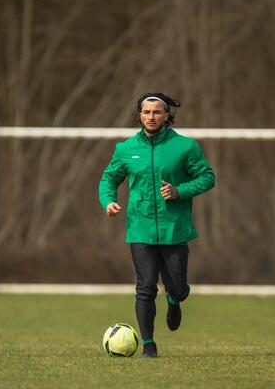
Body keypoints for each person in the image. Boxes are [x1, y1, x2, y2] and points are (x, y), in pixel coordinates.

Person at [98, 93, 215, 358]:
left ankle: (174, 300)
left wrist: (179, 191)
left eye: (157, 112)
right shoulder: (126, 149)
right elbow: (108, 179)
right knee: (146, 286)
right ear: (139, 115)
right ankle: (149, 344)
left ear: (167, 116)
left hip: (175, 228)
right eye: (146, 112)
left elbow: (208, 177)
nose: (151, 117)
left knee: (178, 289)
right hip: (140, 228)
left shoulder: (185, 147)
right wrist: (108, 201)